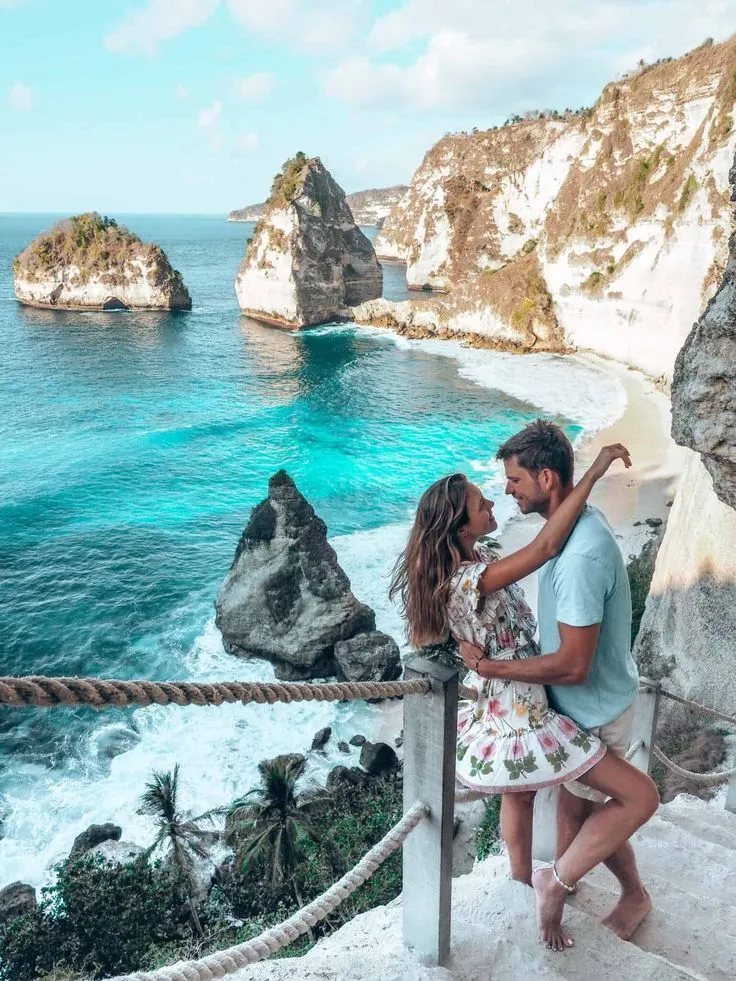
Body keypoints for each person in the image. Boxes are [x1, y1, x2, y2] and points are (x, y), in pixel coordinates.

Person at [390, 439, 659, 951]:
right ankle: (538, 883)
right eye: (481, 504)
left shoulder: (481, 557)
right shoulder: (469, 578)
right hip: (519, 705)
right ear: (460, 528)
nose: (495, 500)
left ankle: (526, 883)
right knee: (604, 795)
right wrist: (595, 471)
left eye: (504, 488)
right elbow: (543, 550)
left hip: (522, 693)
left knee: (523, 794)